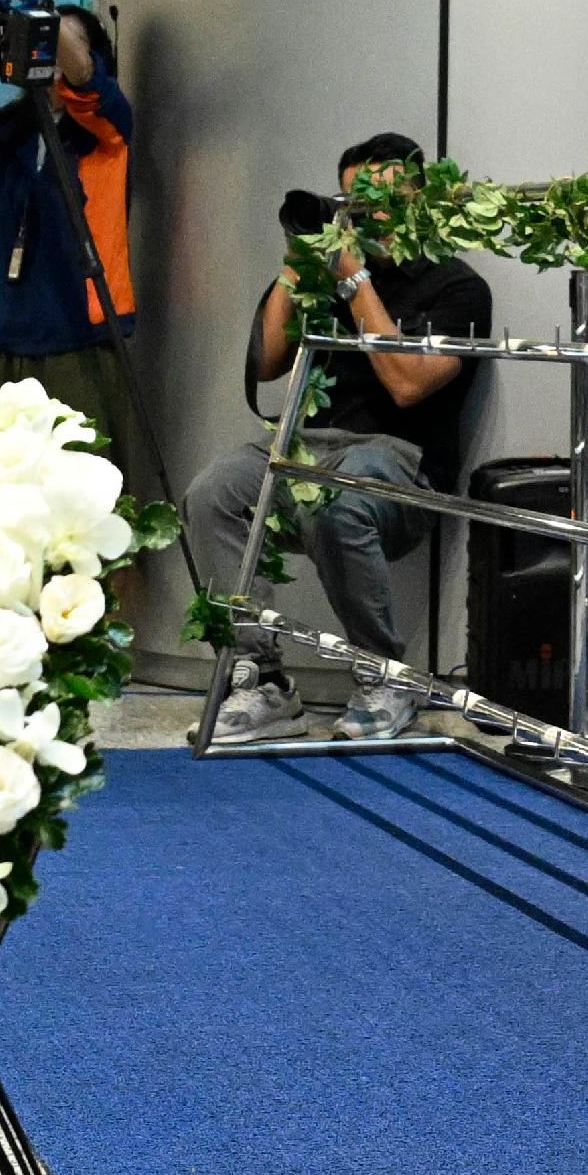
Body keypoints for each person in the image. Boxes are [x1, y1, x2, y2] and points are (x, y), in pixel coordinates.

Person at [194, 131, 488, 745]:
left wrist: (358, 285)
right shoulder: (323, 275)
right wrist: (299, 263)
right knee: (213, 491)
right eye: (353, 203)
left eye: (382, 198)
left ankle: (387, 678)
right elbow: (267, 362)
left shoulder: (458, 287)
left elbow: (408, 386)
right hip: (309, 446)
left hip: (402, 466)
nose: (367, 216)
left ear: (420, 194)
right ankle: (262, 680)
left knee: (335, 497)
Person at [0, 0, 148, 487]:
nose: (48, 49)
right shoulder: (14, 132)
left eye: (59, 40)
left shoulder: (108, 130)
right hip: (6, 333)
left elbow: (82, 73)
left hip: (79, 337)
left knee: (87, 500)